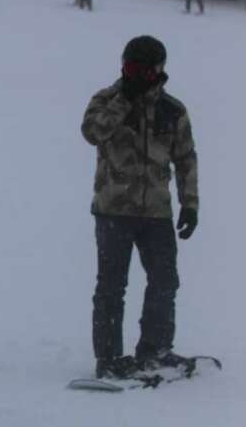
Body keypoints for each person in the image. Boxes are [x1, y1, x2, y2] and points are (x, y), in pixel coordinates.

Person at [80, 36, 198, 380]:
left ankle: (154, 350)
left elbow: (186, 159)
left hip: (156, 214)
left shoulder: (172, 110)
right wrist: (124, 100)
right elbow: (93, 132)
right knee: (111, 287)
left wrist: (190, 204)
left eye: (140, 70)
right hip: (113, 211)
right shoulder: (106, 100)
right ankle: (109, 358)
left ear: (157, 71)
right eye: (128, 67)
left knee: (165, 281)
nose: (132, 75)